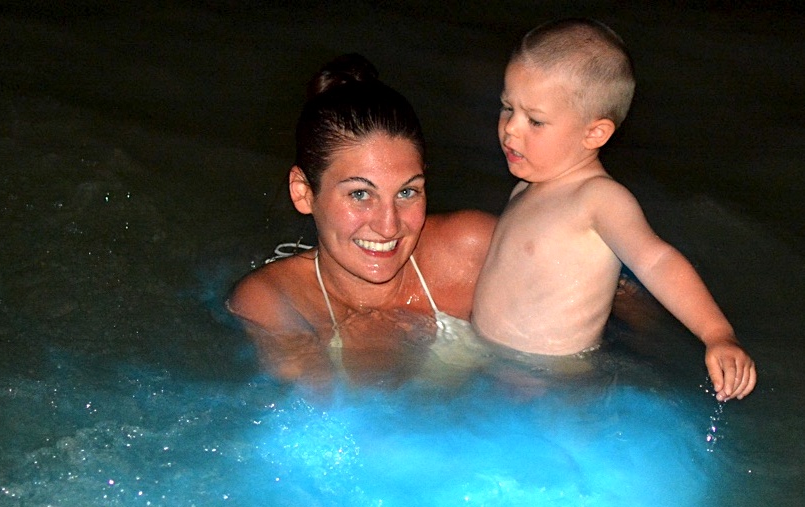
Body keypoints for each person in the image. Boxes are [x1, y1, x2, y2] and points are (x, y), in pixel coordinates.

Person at [471, 18, 757, 401]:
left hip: (553, 382)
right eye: (508, 108)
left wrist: (717, 334)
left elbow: (657, 262)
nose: (510, 129)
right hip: (494, 363)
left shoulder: (599, 198)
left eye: (535, 120)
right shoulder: (525, 187)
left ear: (595, 134)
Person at [227, 54, 496, 386]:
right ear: (303, 193)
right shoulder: (273, 304)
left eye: (407, 192)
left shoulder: (471, 251)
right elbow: (325, 423)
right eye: (359, 194)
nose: (389, 226)